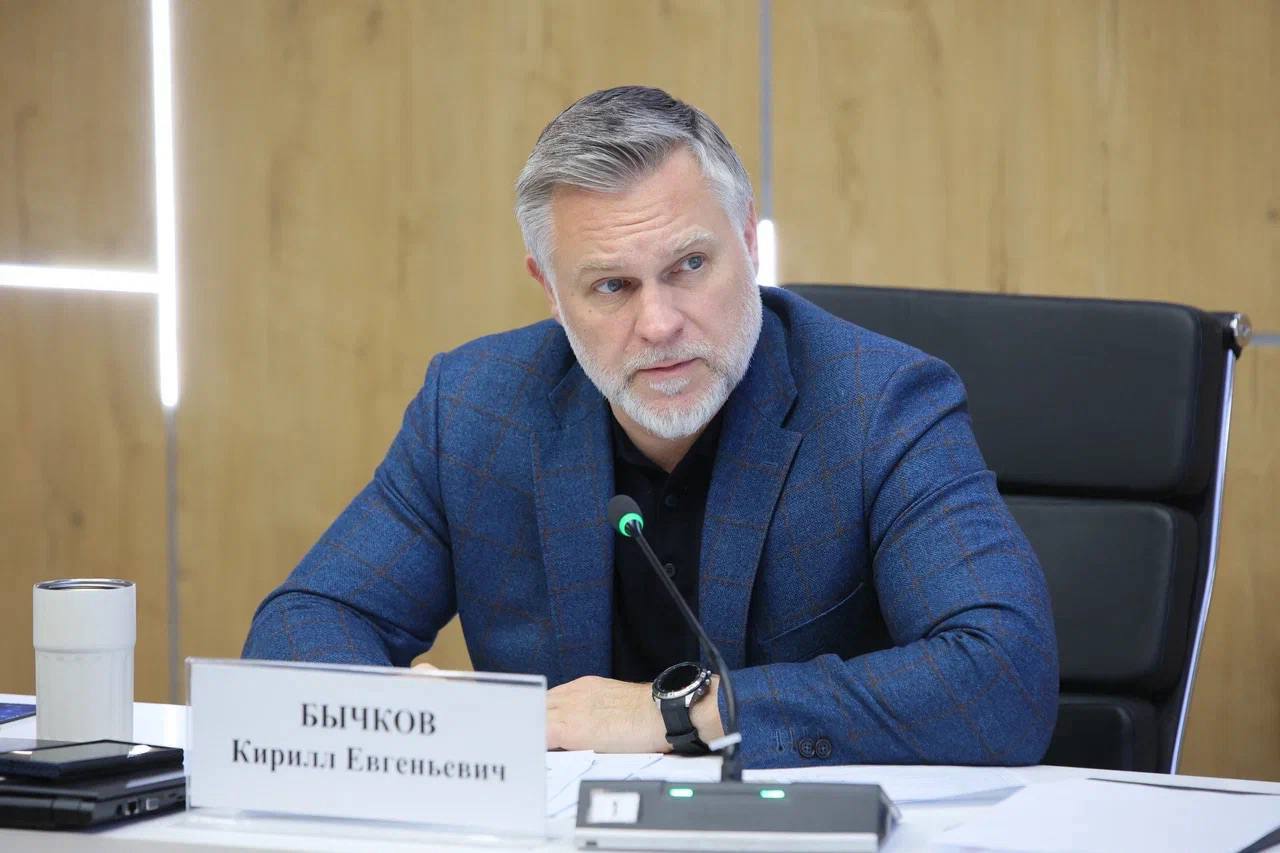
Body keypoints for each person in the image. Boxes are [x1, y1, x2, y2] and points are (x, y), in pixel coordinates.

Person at [243, 86, 1058, 768]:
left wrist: (674, 712)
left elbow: (1003, 681)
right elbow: (297, 629)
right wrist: (413, 712)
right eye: (612, 286)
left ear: (748, 241)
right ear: (550, 290)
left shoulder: (879, 403)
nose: (660, 323)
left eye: (689, 266)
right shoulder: (473, 409)